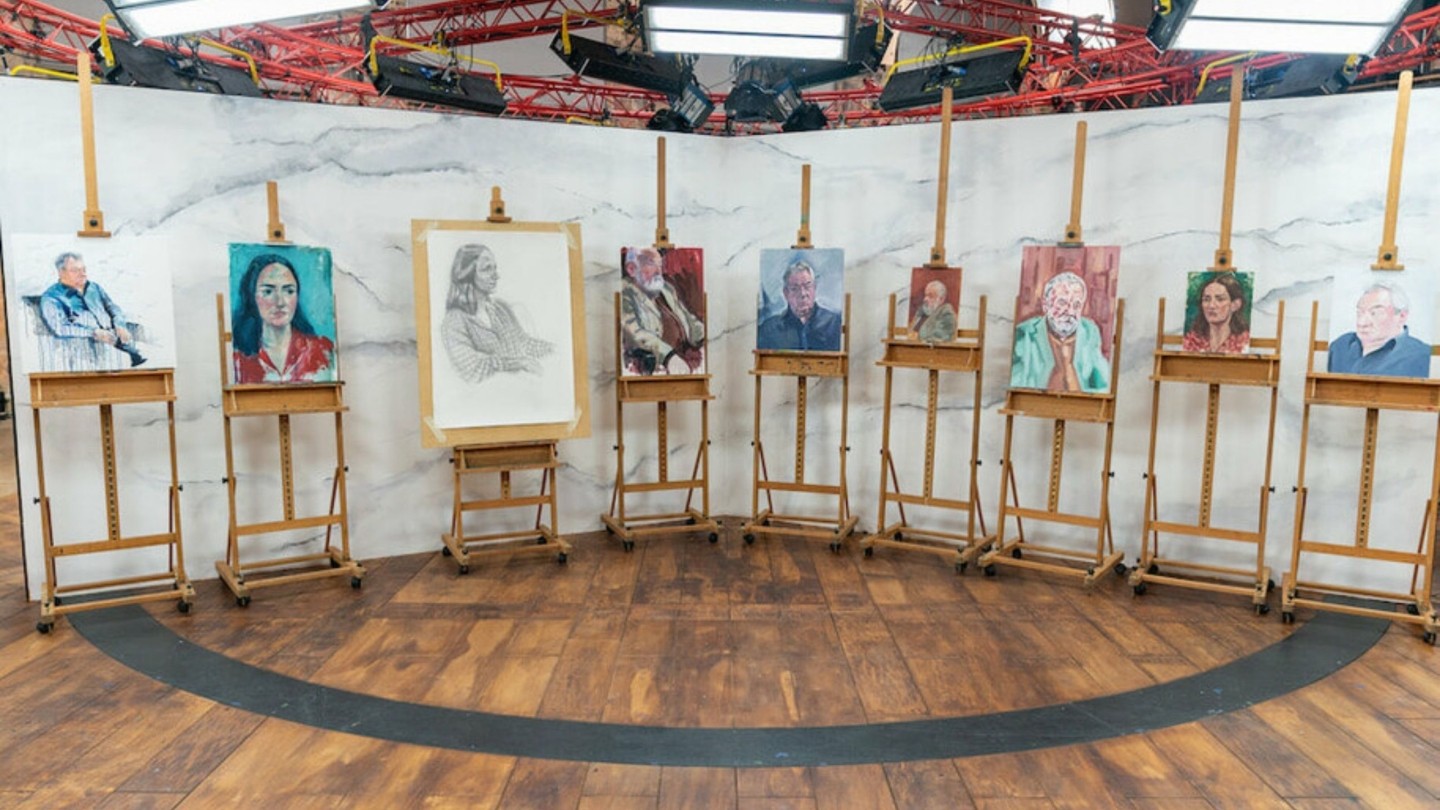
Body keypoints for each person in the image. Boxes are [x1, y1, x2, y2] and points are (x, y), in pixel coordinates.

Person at [441, 243, 552, 383]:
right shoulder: (454, 322)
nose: (496, 276)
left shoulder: (501, 309)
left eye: (495, 268)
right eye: (487, 269)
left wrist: (556, 351)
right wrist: (519, 363)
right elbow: (472, 370)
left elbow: (524, 343)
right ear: (467, 274)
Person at [232, 253, 336, 383]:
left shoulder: (323, 350)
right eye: (268, 292)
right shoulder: (238, 359)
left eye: (289, 291)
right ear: (252, 297)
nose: (280, 302)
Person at [39, 251, 146, 367]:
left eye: (84, 269)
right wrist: (93, 333)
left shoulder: (94, 287)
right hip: (88, 346)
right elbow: (59, 328)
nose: (83, 274)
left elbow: (112, 307)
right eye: (75, 271)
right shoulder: (51, 298)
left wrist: (120, 324)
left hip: (116, 336)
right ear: (61, 272)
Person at [1010, 271, 1110, 393]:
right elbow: (1016, 386)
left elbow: (1103, 386)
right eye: (1062, 303)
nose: (1070, 312)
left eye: (1076, 305)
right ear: (1046, 305)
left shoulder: (1089, 331)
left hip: (1079, 408)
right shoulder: (1025, 333)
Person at [620, 246, 705, 375]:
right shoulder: (625, 293)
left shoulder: (666, 288)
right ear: (631, 269)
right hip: (655, 366)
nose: (658, 271)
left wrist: (707, 337)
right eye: (651, 264)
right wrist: (668, 356)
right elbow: (635, 334)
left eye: (660, 264)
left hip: (686, 357)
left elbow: (689, 319)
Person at [1327, 280, 1430, 377]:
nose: (1362, 322)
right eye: (1360, 312)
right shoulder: (1340, 347)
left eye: (1374, 313)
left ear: (1401, 316)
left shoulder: (1422, 356)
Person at [756, 258, 842, 351]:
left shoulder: (833, 322)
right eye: (795, 288)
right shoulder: (769, 330)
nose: (803, 294)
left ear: (814, 288)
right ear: (786, 293)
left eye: (807, 286)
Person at [1182, 273, 1250, 353]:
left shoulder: (1244, 343)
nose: (1211, 306)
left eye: (1220, 299)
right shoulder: (1191, 343)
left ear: (1235, 305)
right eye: (1206, 299)